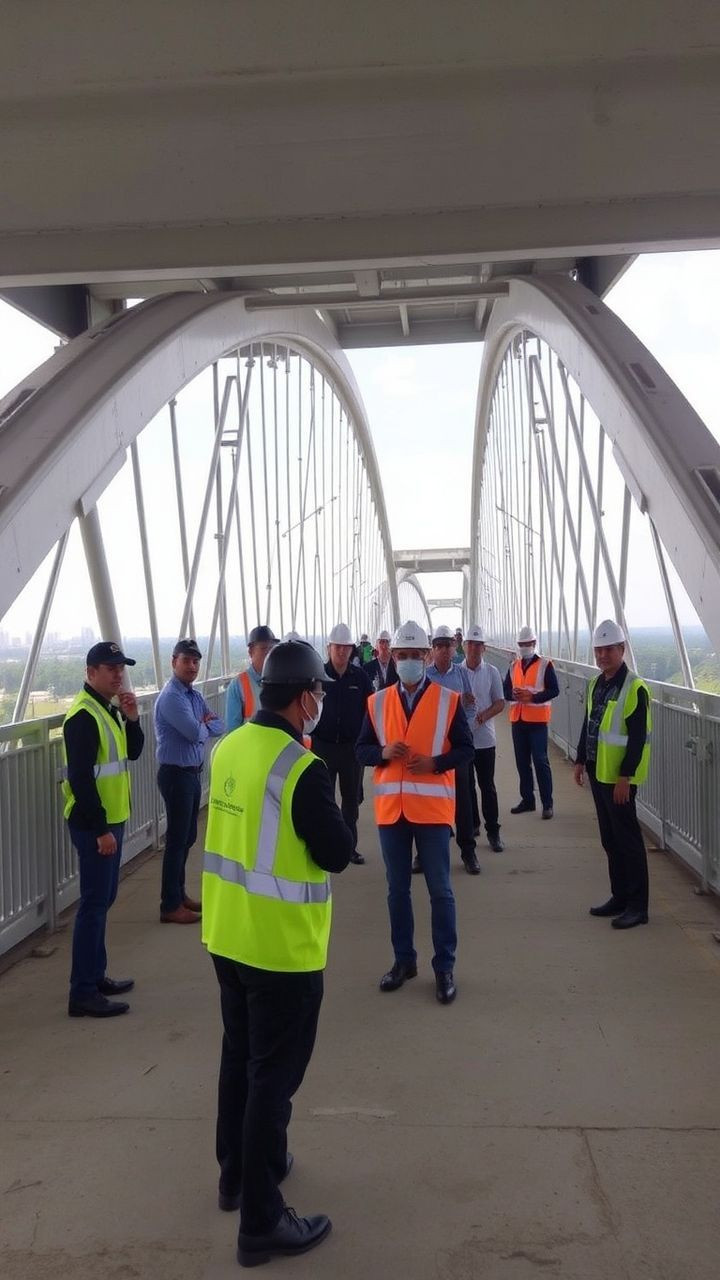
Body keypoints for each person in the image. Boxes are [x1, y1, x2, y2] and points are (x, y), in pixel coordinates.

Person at [202, 640, 352, 1267]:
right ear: (301, 698)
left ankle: (236, 1175)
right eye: (317, 691)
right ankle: (262, 1222)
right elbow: (336, 852)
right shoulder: (300, 768)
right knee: (273, 1079)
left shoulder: (229, 747)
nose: (320, 700)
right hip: (281, 949)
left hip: (227, 934)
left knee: (239, 1058)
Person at [356, 620, 474, 1005]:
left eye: (414, 655)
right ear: (393, 657)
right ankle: (403, 961)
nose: (407, 661)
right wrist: (381, 753)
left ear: (426, 656)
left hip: (432, 812)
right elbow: (361, 749)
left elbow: (466, 750)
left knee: (440, 890)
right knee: (397, 891)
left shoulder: (448, 700)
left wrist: (435, 763)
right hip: (392, 812)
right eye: (402, 655)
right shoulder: (377, 702)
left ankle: (444, 967)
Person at [62, 641, 144, 1018]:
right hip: (95, 824)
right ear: (91, 672)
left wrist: (133, 719)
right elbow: (80, 779)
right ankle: (82, 992)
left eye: (120, 668)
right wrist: (100, 830)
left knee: (103, 899)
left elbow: (133, 753)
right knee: (93, 906)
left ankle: (95, 977)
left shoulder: (107, 709)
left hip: (112, 818)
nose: (118, 674)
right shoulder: (83, 716)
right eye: (110, 668)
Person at [574, 620, 652, 930]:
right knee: (610, 839)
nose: (603, 655)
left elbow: (637, 738)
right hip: (598, 771)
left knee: (628, 840)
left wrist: (625, 777)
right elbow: (589, 722)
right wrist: (580, 759)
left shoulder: (634, 688)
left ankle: (638, 906)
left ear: (622, 649)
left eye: (609, 649)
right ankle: (619, 897)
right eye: (598, 650)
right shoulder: (596, 683)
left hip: (618, 778)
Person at [154, 638, 225, 923]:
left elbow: (218, 724)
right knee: (177, 840)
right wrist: (202, 726)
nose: (192, 666)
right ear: (174, 662)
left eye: (196, 661)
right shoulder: (172, 697)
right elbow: (194, 732)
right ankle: (170, 905)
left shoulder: (192, 696)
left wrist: (202, 725)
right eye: (186, 660)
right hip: (176, 775)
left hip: (191, 774)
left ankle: (179, 893)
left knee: (187, 837)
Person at [311, 622, 373, 865]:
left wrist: (366, 740)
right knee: (322, 800)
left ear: (351, 650)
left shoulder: (360, 677)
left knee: (351, 801)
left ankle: (349, 847)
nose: (341, 651)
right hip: (322, 747)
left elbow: (371, 710)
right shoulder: (317, 676)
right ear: (329, 648)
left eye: (346, 647)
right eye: (337, 647)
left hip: (351, 749)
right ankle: (324, 846)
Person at [423, 623, 480, 873]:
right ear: (432, 650)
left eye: (447, 645)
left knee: (463, 800)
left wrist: (464, 729)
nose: (444, 650)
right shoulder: (425, 676)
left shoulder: (461, 674)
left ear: (454, 647)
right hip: (432, 748)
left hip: (456, 747)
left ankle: (468, 852)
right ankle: (424, 854)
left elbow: (471, 705)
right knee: (428, 801)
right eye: (439, 646)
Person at [503, 625, 559, 819]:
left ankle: (547, 804)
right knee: (522, 763)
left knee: (540, 762)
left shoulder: (545, 665)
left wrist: (532, 697)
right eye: (521, 644)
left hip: (537, 722)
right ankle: (527, 800)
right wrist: (514, 695)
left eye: (527, 643)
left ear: (534, 643)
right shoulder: (514, 666)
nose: (524, 647)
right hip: (518, 720)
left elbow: (554, 690)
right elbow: (505, 690)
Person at [462, 624, 506, 852]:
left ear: (484, 648)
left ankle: (493, 831)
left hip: (485, 740)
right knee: (467, 786)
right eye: (470, 643)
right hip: (463, 740)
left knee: (487, 786)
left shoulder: (492, 672)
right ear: (464, 646)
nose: (474, 648)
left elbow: (500, 702)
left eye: (478, 644)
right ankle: (473, 825)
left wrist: (483, 716)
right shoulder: (457, 672)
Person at [226, 625, 277, 730]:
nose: (269, 654)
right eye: (263, 648)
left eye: (271, 648)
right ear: (250, 652)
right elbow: (232, 730)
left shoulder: (281, 680)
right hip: (251, 740)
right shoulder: (238, 685)